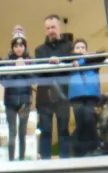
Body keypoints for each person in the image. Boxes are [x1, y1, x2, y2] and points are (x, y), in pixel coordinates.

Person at [34, 14, 75, 159]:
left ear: (59, 27)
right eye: (48, 28)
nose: (51, 30)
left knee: (63, 129)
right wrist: (50, 63)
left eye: (53, 27)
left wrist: (60, 61)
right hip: (44, 96)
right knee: (45, 130)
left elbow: (72, 67)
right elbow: (38, 72)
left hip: (63, 95)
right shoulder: (39, 50)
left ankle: (65, 161)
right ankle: (45, 162)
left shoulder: (69, 47)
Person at [2, 29, 34, 162]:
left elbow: (33, 79)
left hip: (25, 101)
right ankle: (11, 161)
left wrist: (23, 68)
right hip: (10, 101)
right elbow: (3, 81)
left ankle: (21, 161)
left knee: (22, 132)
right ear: (12, 48)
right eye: (15, 46)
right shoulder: (7, 61)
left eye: (21, 45)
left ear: (25, 46)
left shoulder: (30, 61)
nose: (18, 48)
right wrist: (15, 69)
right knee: (12, 132)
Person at [67, 39, 103, 156]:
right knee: (80, 122)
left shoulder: (92, 61)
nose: (80, 50)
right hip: (76, 95)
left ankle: (94, 146)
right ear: (73, 50)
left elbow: (102, 55)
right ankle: (83, 150)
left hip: (91, 95)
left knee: (89, 119)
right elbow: (65, 57)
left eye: (83, 47)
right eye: (77, 47)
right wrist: (75, 59)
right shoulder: (70, 61)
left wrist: (82, 61)